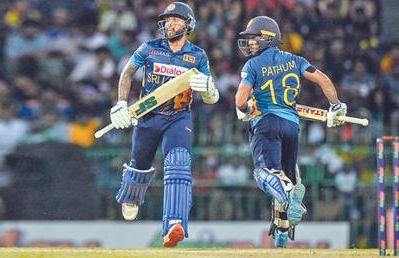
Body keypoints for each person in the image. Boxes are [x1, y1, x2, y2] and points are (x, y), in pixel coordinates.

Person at [109, 2, 219, 248]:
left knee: (179, 164)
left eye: (177, 19)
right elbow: (127, 73)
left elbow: (211, 95)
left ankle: (174, 224)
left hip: (179, 117)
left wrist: (209, 90)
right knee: (140, 163)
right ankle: (131, 196)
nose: (171, 23)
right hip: (148, 115)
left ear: (188, 25)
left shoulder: (198, 55)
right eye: (168, 19)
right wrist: (121, 103)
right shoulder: (149, 48)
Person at [234, 16, 347, 248]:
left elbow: (239, 100)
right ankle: (282, 237)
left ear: (267, 38)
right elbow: (323, 80)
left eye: (254, 39)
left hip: (266, 123)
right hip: (292, 126)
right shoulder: (296, 60)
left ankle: (290, 193)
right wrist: (336, 106)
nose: (250, 44)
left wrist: (245, 109)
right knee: (284, 175)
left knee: (265, 174)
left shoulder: (252, 65)